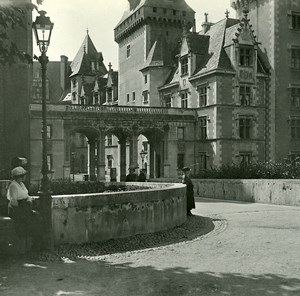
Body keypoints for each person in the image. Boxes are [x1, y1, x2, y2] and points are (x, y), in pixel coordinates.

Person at [7, 166, 44, 251]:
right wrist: (24, 207)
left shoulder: (22, 184)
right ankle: (34, 245)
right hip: (16, 210)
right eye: (23, 175)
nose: (25, 176)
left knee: (38, 218)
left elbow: (26, 195)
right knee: (30, 221)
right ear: (19, 176)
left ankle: (37, 243)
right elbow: (13, 201)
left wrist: (28, 200)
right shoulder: (13, 186)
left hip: (24, 207)